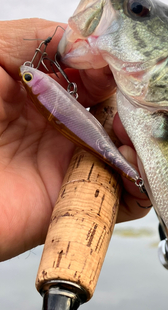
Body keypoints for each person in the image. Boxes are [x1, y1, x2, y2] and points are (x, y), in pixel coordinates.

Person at [0, 18, 151, 262]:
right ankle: (132, 173)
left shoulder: (41, 85)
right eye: (29, 79)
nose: (29, 75)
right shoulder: (40, 89)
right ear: (36, 87)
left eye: (28, 77)